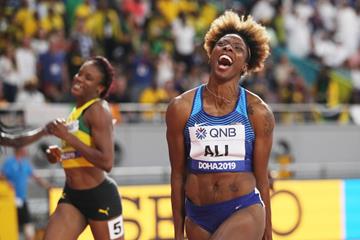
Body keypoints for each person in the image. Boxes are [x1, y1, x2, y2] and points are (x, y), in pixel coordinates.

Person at [166, 10, 274, 240]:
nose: (227, 49)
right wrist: (177, 233)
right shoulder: (181, 108)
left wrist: (268, 235)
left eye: (237, 48)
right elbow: (177, 175)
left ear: (245, 66)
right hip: (197, 217)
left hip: (243, 209)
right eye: (222, 45)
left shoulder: (257, 112)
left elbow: (262, 178)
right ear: (211, 54)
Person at [43, 56, 124, 240]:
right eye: (80, 73)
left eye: (88, 77)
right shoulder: (75, 111)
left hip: (100, 196)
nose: (79, 78)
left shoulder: (98, 110)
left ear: (100, 88)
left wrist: (67, 137)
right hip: (73, 196)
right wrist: (57, 154)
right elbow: (77, 152)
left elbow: (107, 161)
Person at [0, 146, 51, 240]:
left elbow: (35, 177)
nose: (27, 151)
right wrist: (7, 182)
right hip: (10, 200)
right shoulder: (9, 163)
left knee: (27, 223)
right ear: (19, 150)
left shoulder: (25, 164)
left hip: (22, 199)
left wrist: (47, 185)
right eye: (24, 149)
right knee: (10, 223)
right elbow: (2, 176)